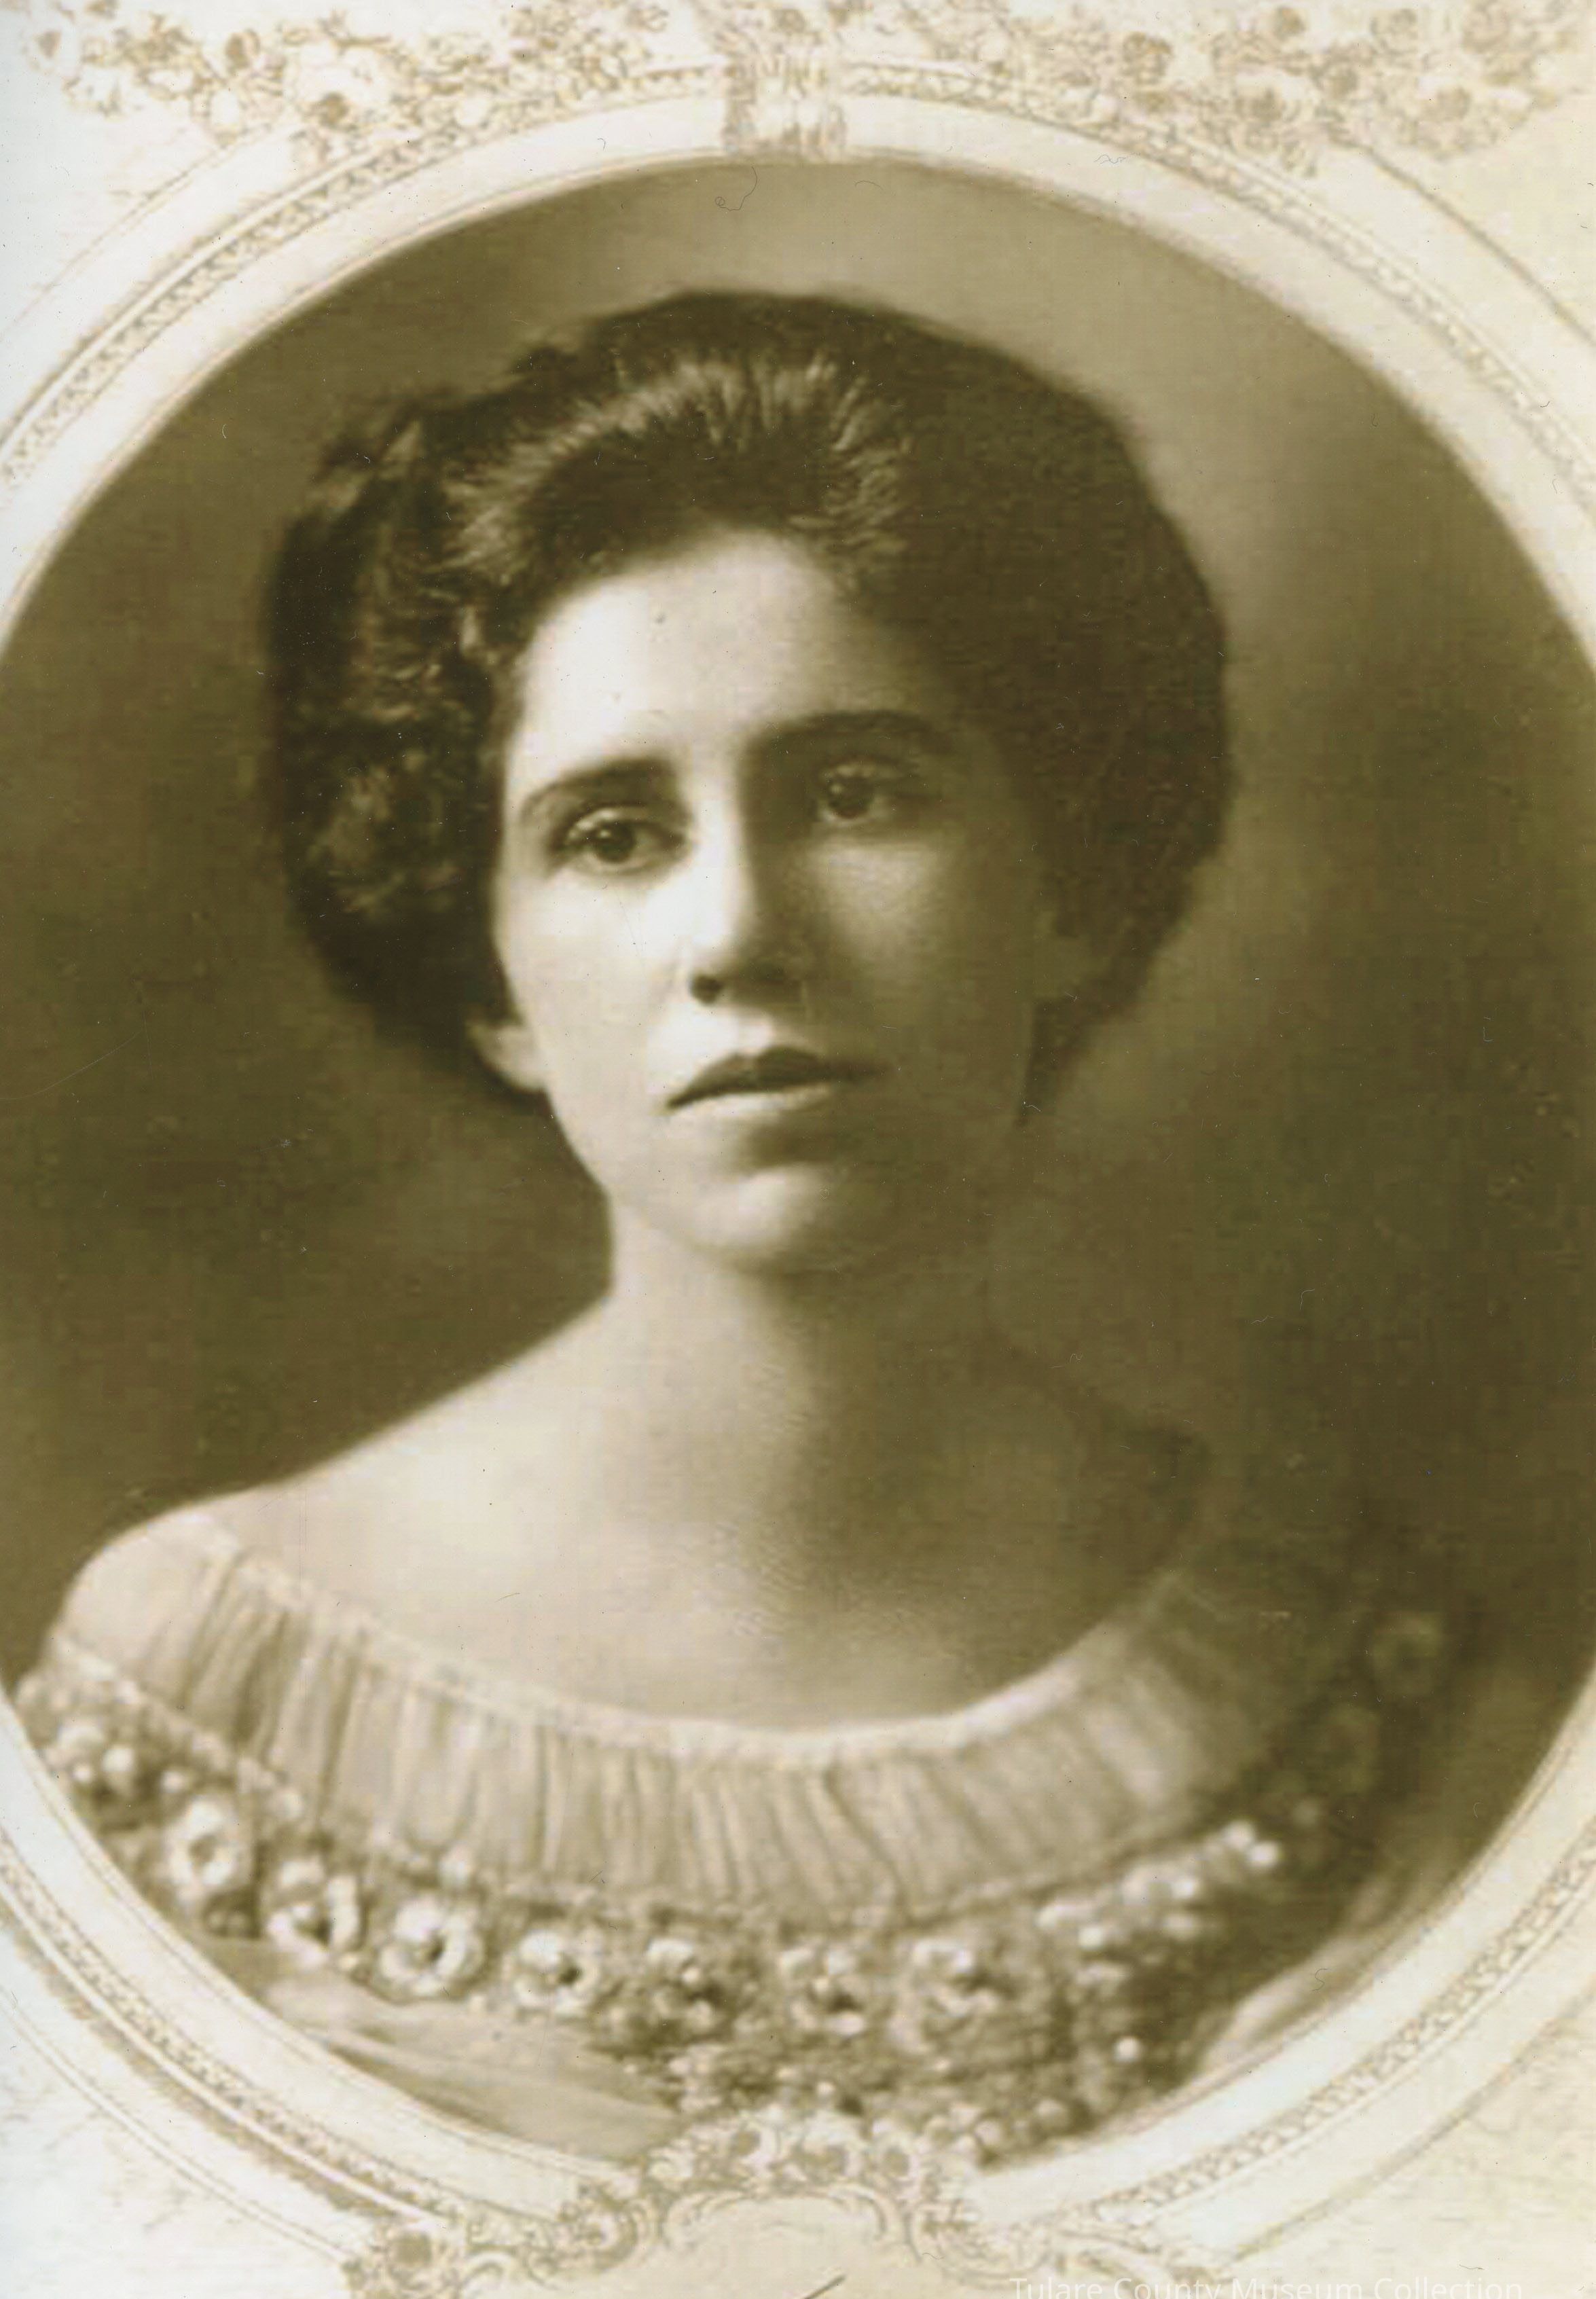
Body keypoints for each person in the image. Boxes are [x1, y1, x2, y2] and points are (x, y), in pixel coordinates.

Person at [16, 293, 1479, 2167]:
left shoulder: (1355, 1697)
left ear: (1073, 893)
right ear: (493, 980)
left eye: (857, 794)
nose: (739, 937)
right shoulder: (205, 1694)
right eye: (614, 833)